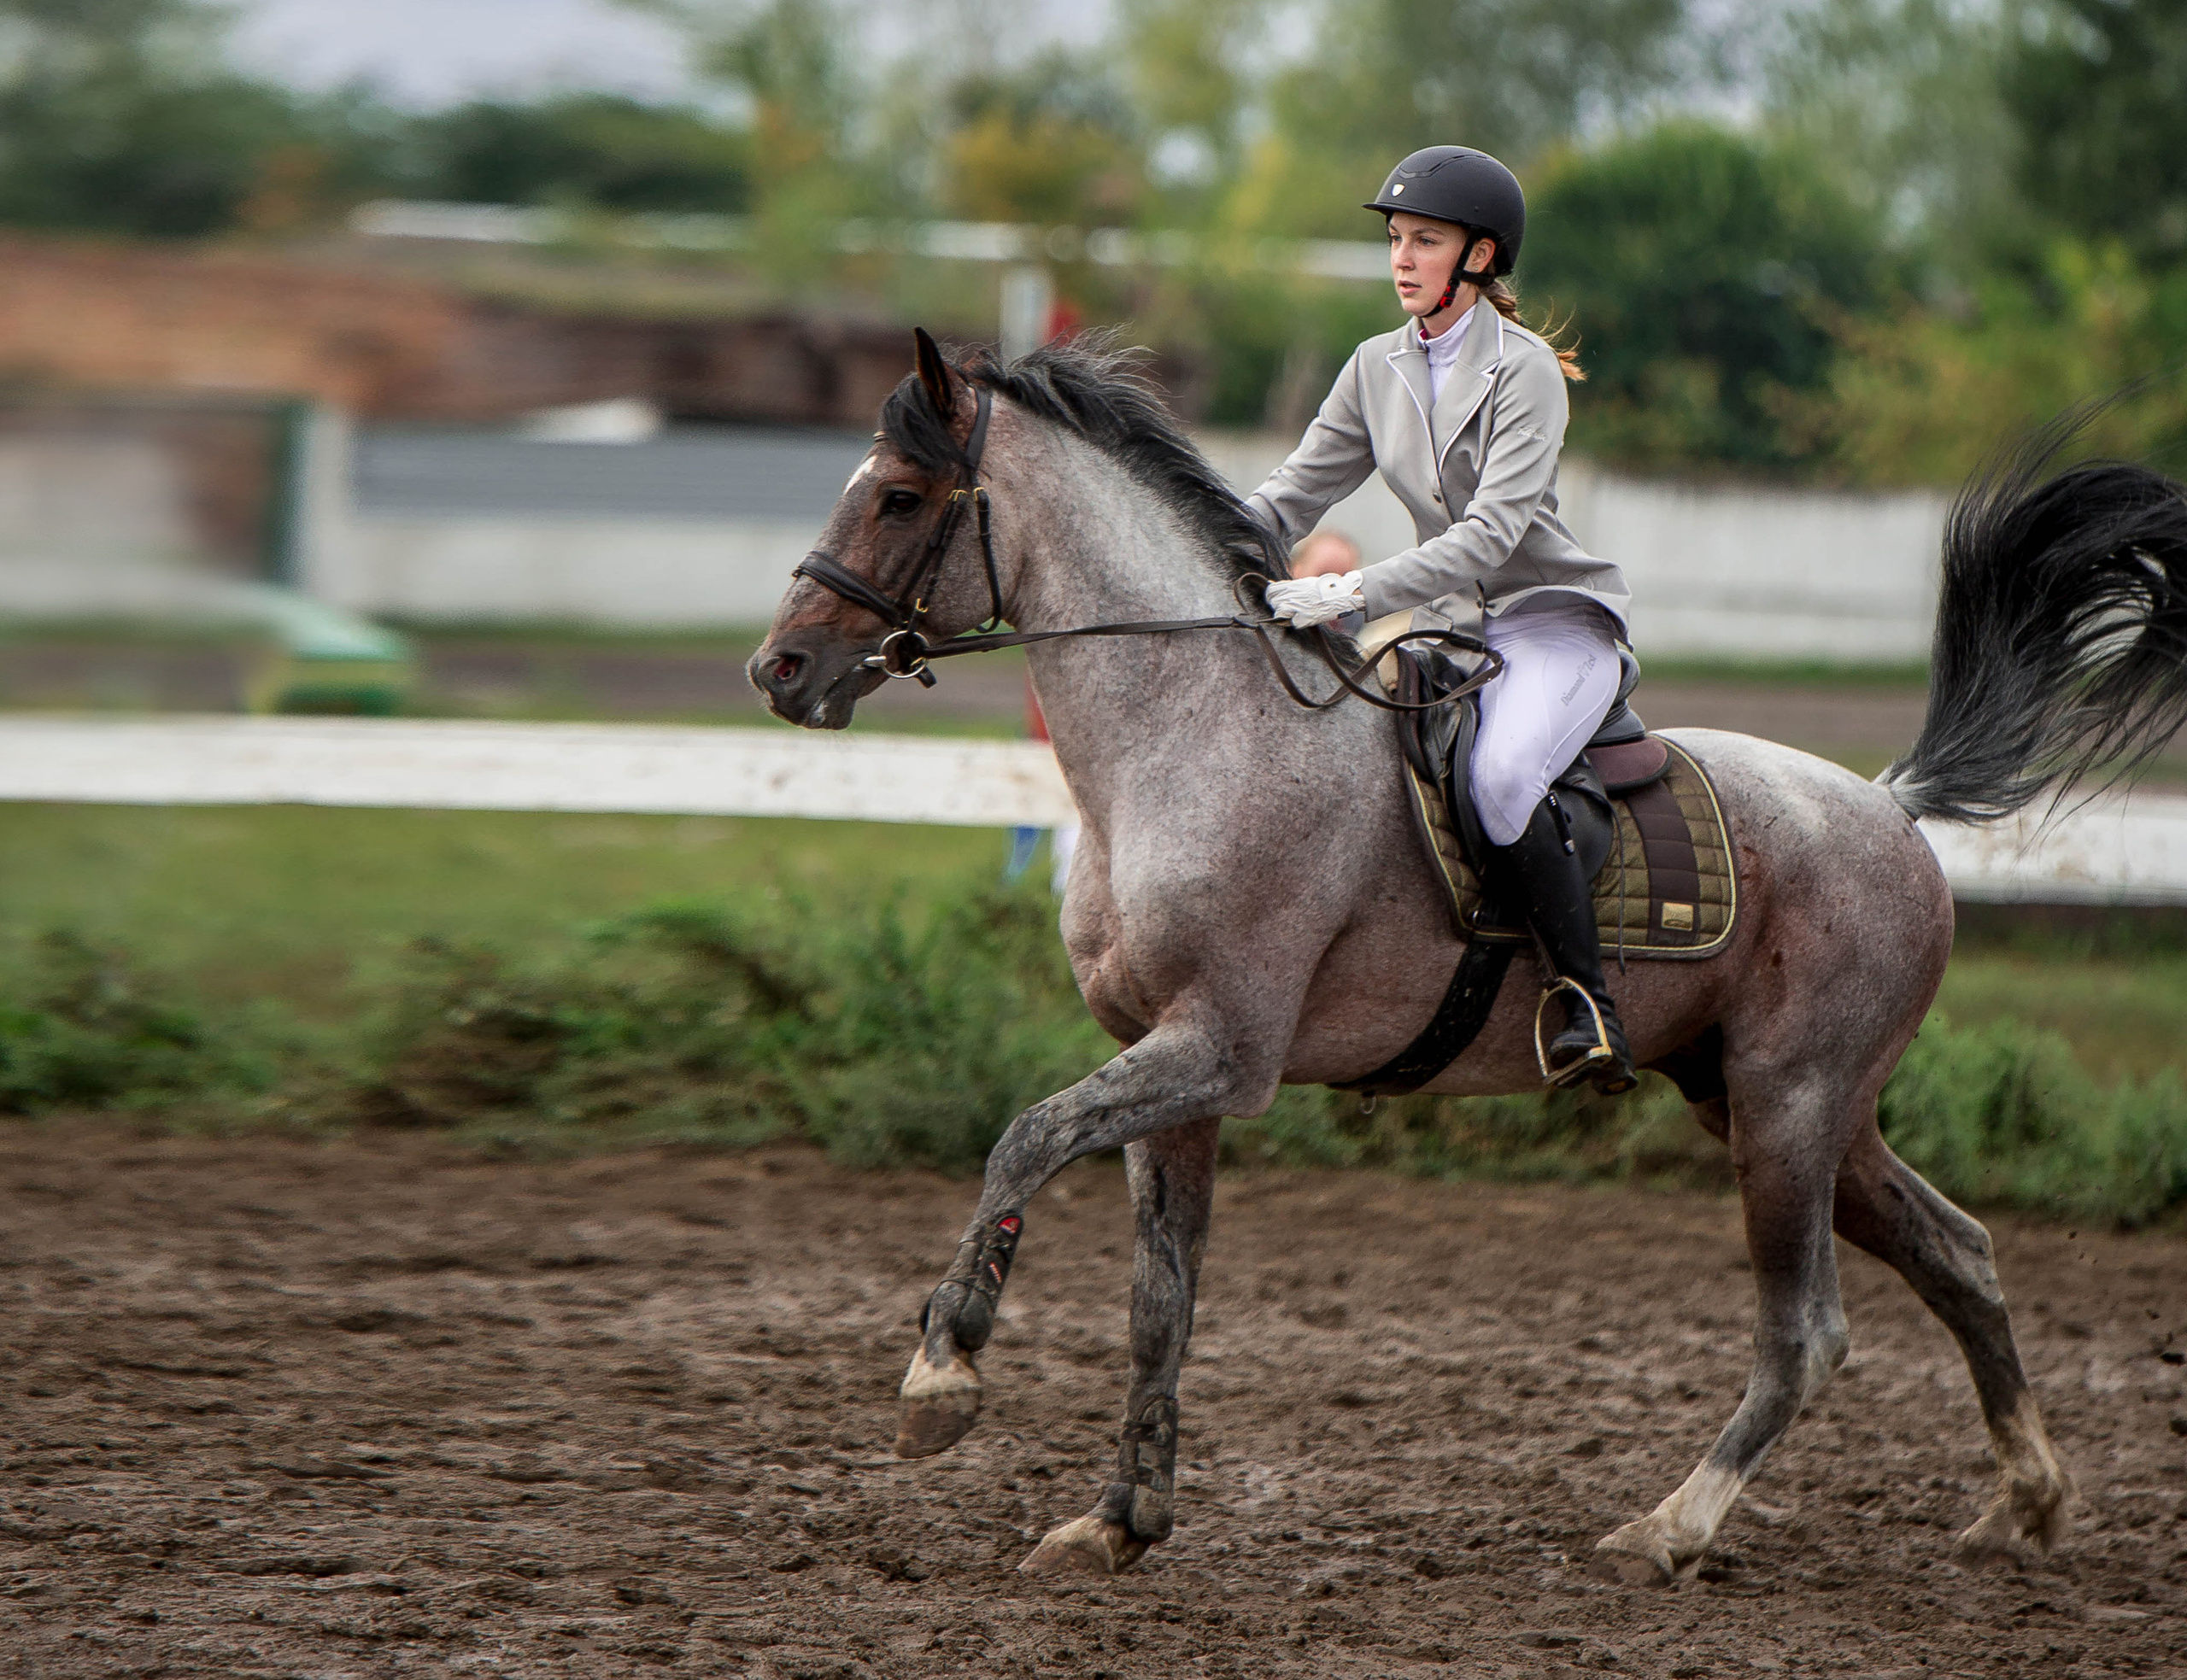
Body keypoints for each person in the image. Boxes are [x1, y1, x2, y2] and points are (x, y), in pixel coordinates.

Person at [1249, 144, 1637, 1092]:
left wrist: (1351, 592)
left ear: (1480, 255)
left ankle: (1583, 1001)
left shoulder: (1526, 369)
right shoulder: (1373, 364)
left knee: (1504, 775)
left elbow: (1490, 534)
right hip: (1450, 625)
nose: (1401, 257)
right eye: (1394, 239)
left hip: (1548, 618)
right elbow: (1289, 497)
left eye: (1424, 239)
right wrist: (1193, 537)